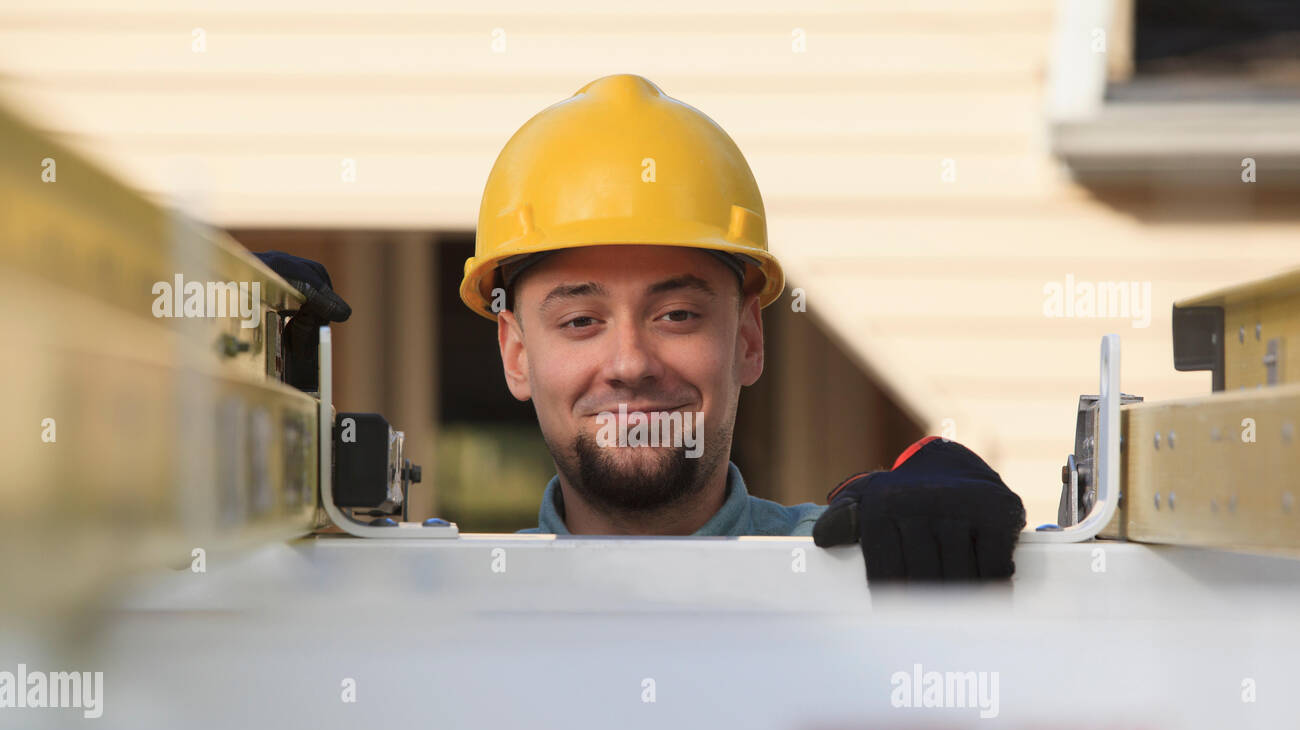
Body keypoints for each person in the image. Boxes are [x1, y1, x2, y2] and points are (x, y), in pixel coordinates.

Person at [259, 74, 1026, 580]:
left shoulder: (844, 570)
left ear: (749, 340)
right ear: (517, 354)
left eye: (677, 315)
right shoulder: (439, 603)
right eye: (582, 320)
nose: (629, 362)